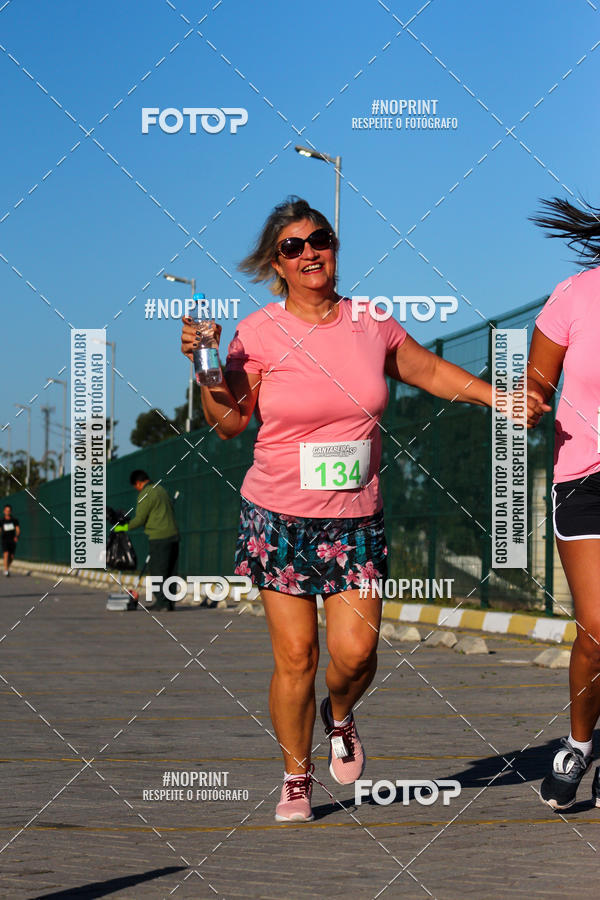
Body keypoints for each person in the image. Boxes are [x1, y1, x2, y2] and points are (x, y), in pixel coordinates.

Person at [180, 196, 526, 823]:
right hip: (278, 515)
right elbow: (230, 423)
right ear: (277, 264)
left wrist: (496, 397)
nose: (310, 251)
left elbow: (428, 371)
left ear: (334, 248)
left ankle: (339, 715)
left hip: (355, 518)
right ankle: (295, 776)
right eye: (293, 246)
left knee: (358, 653)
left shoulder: (372, 322)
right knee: (296, 658)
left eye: (321, 239)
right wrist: (204, 370)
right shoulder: (258, 332)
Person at [527, 196, 600, 810]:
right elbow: (536, 382)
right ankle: (579, 743)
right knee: (599, 628)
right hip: (585, 479)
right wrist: (528, 400)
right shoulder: (576, 295)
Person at [114, 470, 179, 611]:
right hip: (174, 535)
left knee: (157, 571)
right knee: (170, 571)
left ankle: (162, 603)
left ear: (138, 483)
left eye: (135, 487)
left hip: (159, 537)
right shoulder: (161, 489)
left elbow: (139, 519)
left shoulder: (146, 494)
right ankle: (169, 603)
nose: (137, 490)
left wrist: (123, 527)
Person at [1, 504, 20, 576]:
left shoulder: (14, 520)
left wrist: (16, 536)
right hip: (4, 540)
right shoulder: (2, 520)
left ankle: (7, 567)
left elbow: (18, 530)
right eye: (6, 511)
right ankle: (6, 570)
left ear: (10, 512)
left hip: (12, 540)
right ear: (4, 511)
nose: (7, 512)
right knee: (6, 554)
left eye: (9, 511)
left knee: (11, 557)